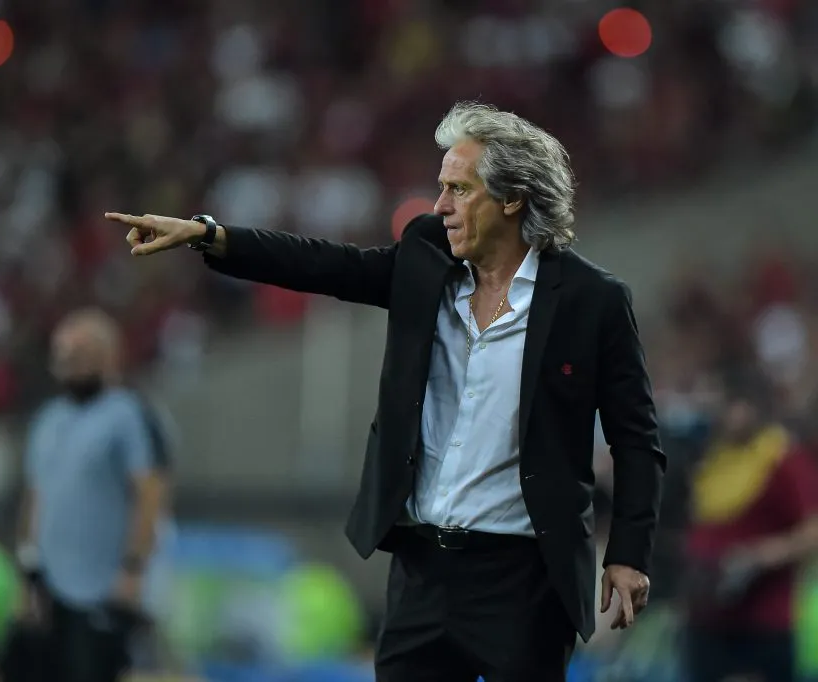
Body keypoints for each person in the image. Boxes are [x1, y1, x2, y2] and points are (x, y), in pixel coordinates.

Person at [106, 101, 666, 681]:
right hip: (421, 571)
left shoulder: (592, 301)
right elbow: (326, 265)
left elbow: (636, 440)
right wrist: (209, 235)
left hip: (523, 580)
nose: (441, 206)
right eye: (441, 188)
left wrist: (627, 554)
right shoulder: (426, 260)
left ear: (513, 198)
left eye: (459, 190)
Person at [15, 308, 167, 682]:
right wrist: (29, 573)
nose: (68, 364)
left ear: (108, 357)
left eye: (78, 354)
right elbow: (36, 498)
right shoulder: (49, 419)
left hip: (103, 585)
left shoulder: (129, 416)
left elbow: (150, 495)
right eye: (62, 355)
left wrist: (133, 569)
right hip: (51, 585)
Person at [683, 372, 818, 682]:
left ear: (755, 407)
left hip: (761, 619)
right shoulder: (715, 458)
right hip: (707, 615)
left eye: (733, 405)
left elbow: (812, 531)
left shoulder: (782, 459)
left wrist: (760, 556)